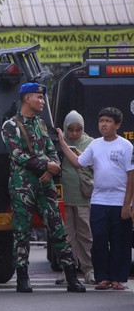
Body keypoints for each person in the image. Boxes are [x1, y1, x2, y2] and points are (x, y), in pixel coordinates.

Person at [1, 82, 86, 293]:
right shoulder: (10, 126)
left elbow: (51, 148)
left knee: (58, 229)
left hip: (45, 183)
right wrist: (44, 165)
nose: (42, 101)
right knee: (22, 231)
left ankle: (71, 277)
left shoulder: (40, 123)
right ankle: (22, 278)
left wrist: (53, 167)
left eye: (42, 97)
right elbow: (17, 155)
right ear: (26, 99)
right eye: (38, 97)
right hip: (23, 186)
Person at [58, 107, 134, 291]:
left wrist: (127, 205)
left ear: (117, 125)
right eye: (101, 121)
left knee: (119, 241)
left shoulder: (126, 146)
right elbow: (78, 162)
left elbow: (131, 175)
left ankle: (118, 279)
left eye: (108, 121)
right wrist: (62, 143)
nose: (104, 124)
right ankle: (103, 277)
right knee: (98, 239)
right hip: (99, 200)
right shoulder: (95, 145)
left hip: (119, 202)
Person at [55, 111, 95, 285]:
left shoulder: (91, 143)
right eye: (70, 129)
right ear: (65, 128)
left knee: (86, 235)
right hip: (63, 198)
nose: (74, 133)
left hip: (83, 198)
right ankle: (67, 269)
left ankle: (89, 270)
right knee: (66, 236)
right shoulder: (57, 143)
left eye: (78, 129)